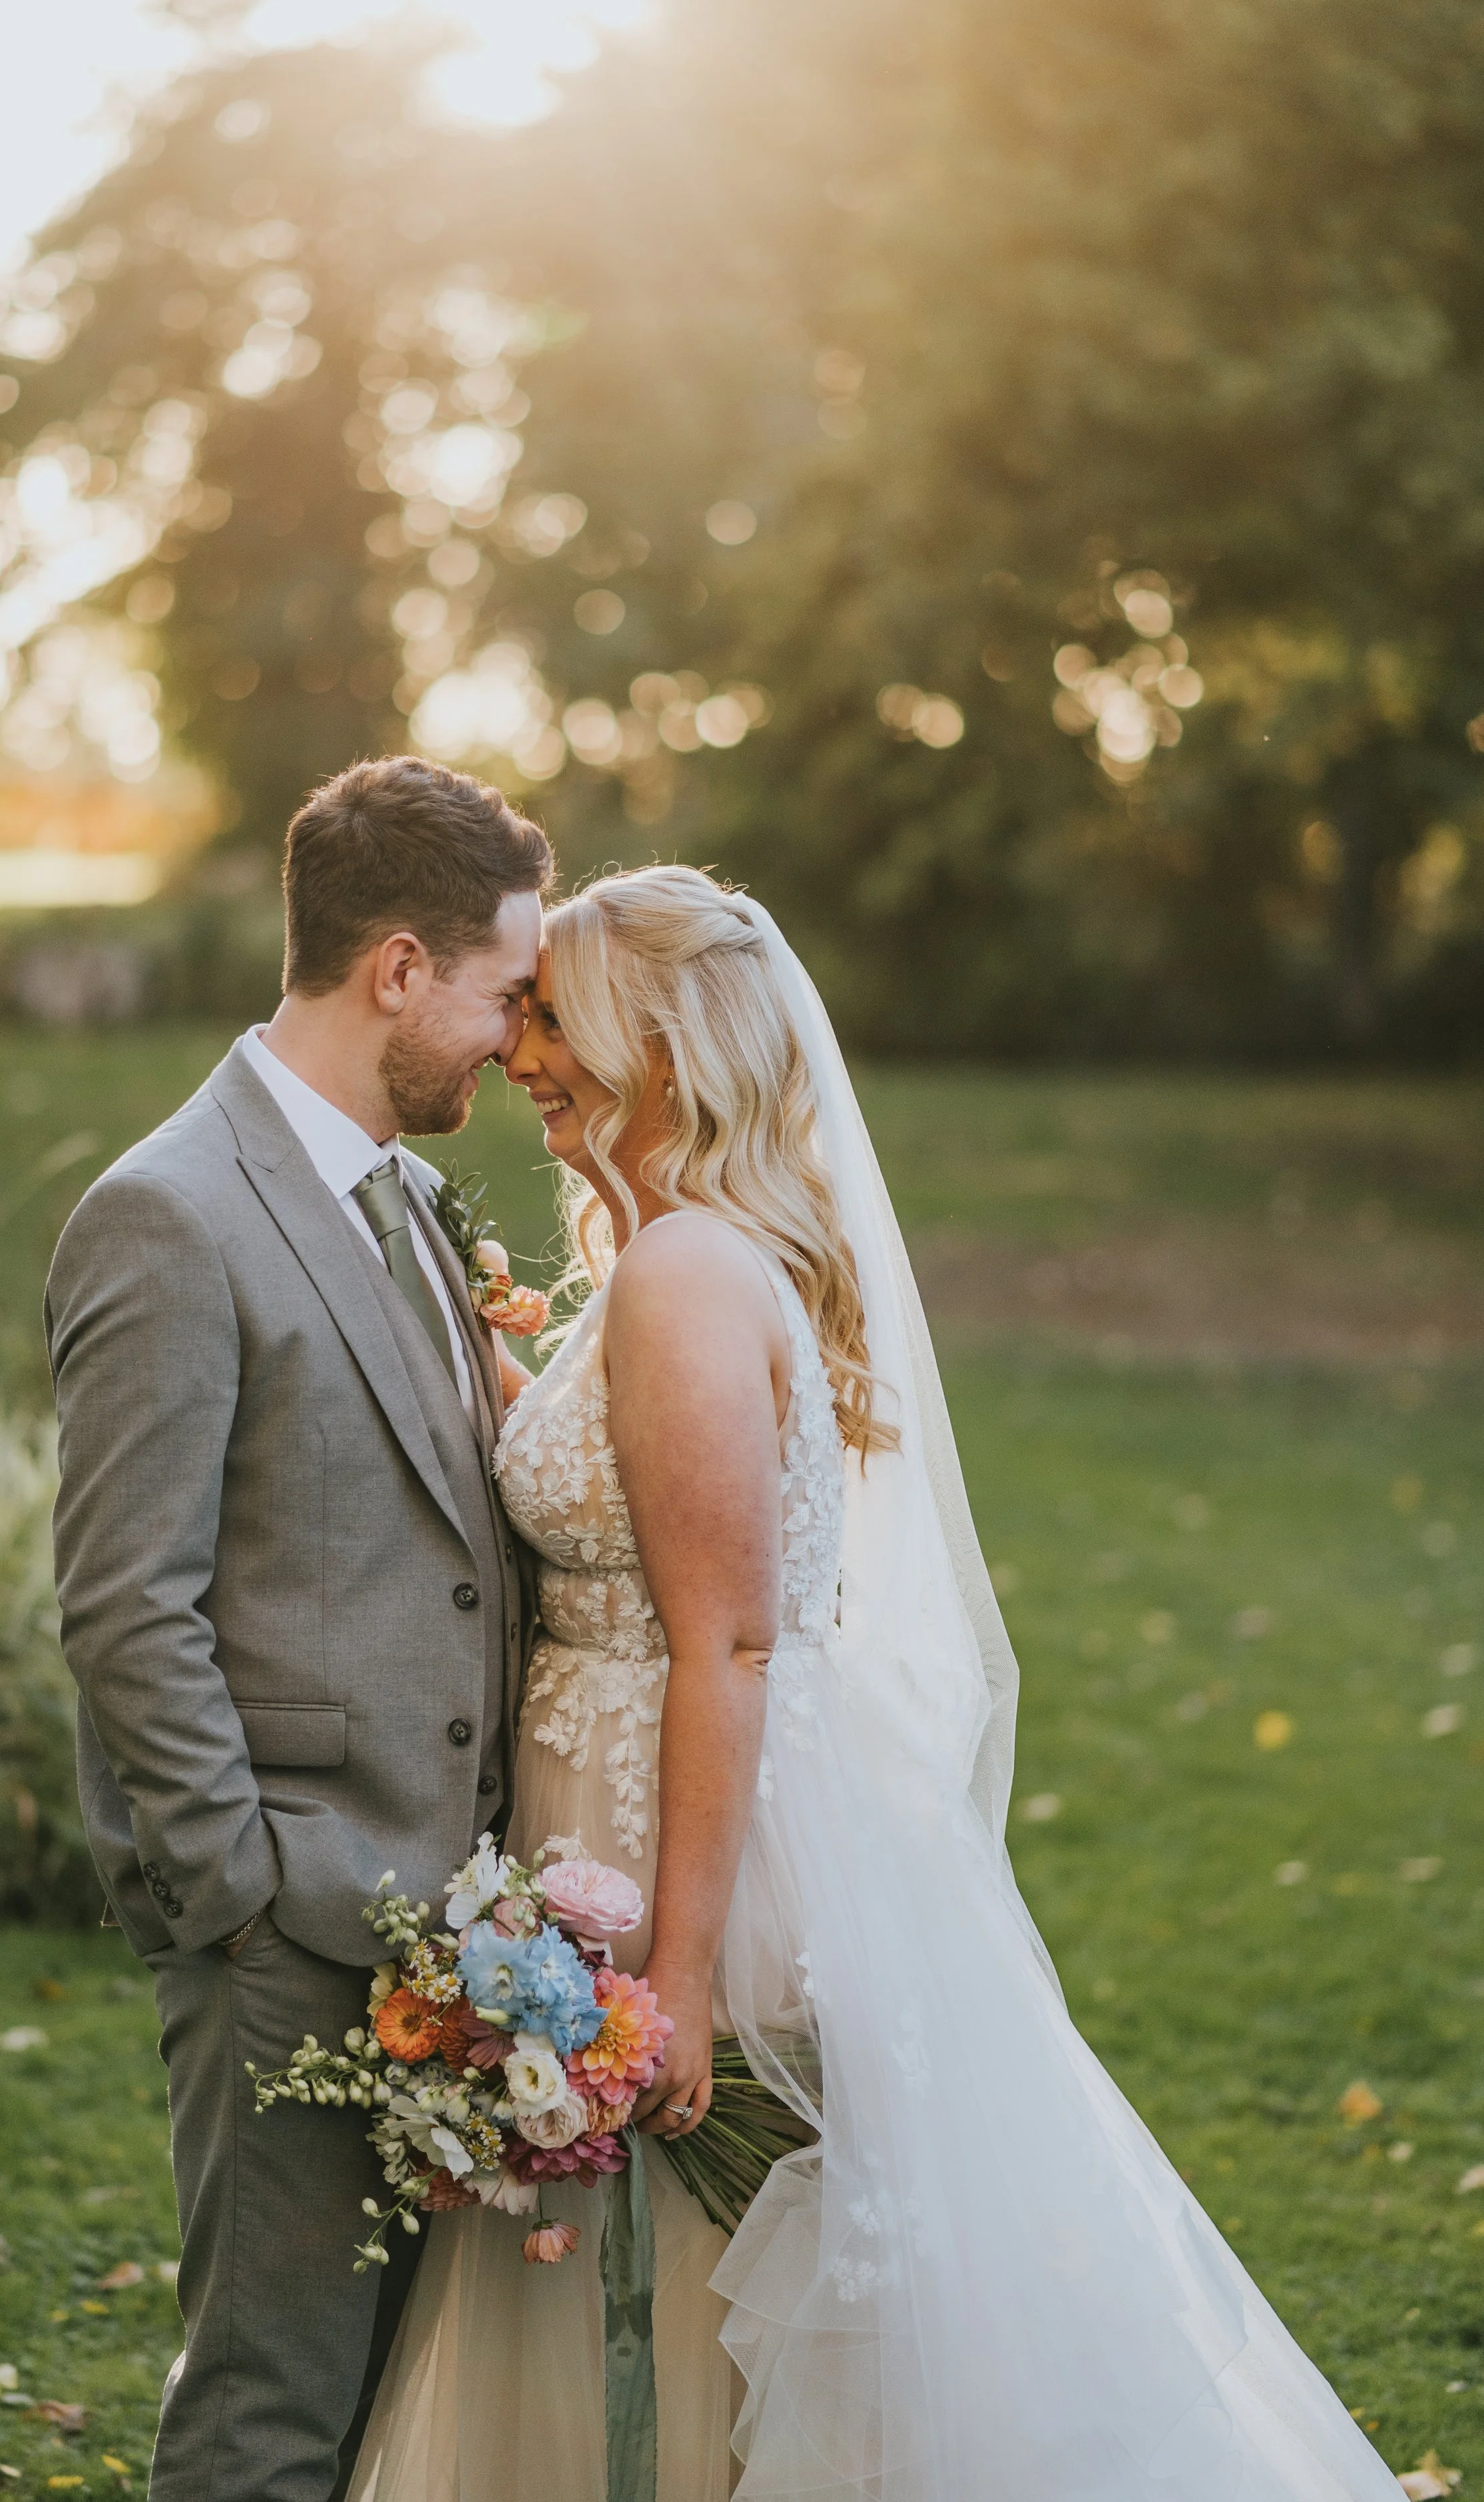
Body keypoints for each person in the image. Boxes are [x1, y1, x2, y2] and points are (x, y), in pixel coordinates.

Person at [350, 862, 1405, 2500]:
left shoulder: (686, 1277)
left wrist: (677, 1974)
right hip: (636, 1812)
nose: (515, 1055)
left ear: (662, 1051)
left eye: (550, 1018)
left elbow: (725, 1636)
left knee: (693, 2297)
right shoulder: (673, 1260)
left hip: (683, 1841)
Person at [45, 755, 551, 2502]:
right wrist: (233, 1885)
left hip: (436, 1919)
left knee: (369, 2413)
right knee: (268, 2412)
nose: (511, 1033)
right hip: (286, 1920)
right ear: (397, 968)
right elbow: (125, 1597)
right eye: (500, 990)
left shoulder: (404, 1197)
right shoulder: (169, 1213)